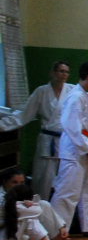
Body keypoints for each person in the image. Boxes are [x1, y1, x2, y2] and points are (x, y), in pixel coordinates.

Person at [0, 61, 74, 199]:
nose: (64, 74)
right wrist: (2, 125)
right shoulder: (42, 91)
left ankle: (60, 210)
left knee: (66, 180)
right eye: (61, 71)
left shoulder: (72, 90)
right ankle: (38, 206)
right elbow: (25, 114)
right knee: (43, 179)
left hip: (66, 141)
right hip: (47, 141)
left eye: (66, 72)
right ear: (53, 72)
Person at [50, 61, 88, 237]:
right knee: (67, 191)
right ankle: (57, 232)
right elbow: (70, 125)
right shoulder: (75, 97)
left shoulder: (85, 96)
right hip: (74, 148)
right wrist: (86, 147)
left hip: (85, 144)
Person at [1, 166, 77, 240]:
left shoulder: (20, 194)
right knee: (31, 217)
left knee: (43, 204)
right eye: (14, 182)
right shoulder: (2, 197)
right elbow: (33, 211)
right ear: (5, 182)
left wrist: (61, 227)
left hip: (18, 236)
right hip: (6, 236)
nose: (19, 186)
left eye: (21, 183)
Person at [0, 183, 73, 240]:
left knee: (29, 218)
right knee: (29, 219)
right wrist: (28, 205)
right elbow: (36, 210)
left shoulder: (11, 204)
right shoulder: (15, 207)